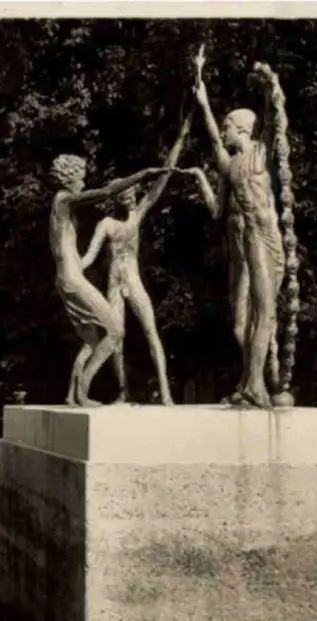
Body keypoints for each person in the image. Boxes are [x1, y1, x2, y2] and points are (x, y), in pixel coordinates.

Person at [181, 49, 289, 408]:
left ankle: (254, 384)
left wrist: (270, 87)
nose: (224, 131)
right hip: (249, 238)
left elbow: (273, 122)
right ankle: (251, 382)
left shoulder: (261, 152)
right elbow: (214, 140)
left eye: (228, 126)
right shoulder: (231, 165)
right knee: (248, 319)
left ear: (242, 128)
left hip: (268, 238)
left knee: (264, 313)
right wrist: (203, 101)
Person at [80, 103, 192, 405]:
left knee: (151, 330)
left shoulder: (137, 217)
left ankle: (165, 392)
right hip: (114, 283)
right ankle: (122, 391)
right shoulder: (107, 224)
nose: (129, 196)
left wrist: (181, 138)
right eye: (124, 193)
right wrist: (73, 267)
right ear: (118, 198)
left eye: (131, 193)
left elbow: (160, 183)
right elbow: (90, 255)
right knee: (116, 338)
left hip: (132, 278)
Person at [48, 153, 173, 406]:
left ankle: (72, 395)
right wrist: (143, 174)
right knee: (116, 330)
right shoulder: (62, 199)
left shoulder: (62, 208)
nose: (83, 183)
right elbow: (106, 192)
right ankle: (83, 391)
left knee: (93, 340)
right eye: (81, 178)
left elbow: (78, 254)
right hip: (72, 279)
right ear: (69, 178)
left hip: (66, 278)